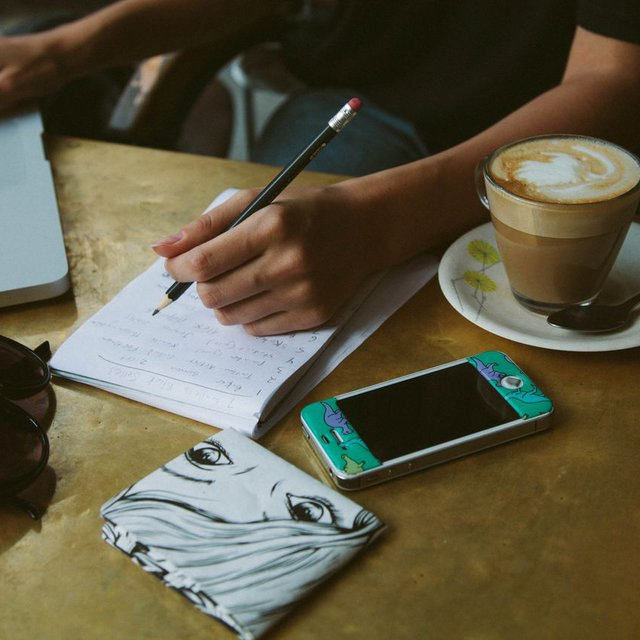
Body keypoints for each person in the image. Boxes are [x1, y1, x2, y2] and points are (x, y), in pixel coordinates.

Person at [1, 0, 639, 336]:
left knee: (272, 284)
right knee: (255, 269)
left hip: (538, 128)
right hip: (347, 91)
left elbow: (613, 81)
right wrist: (58, 52)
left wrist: (373, 225)